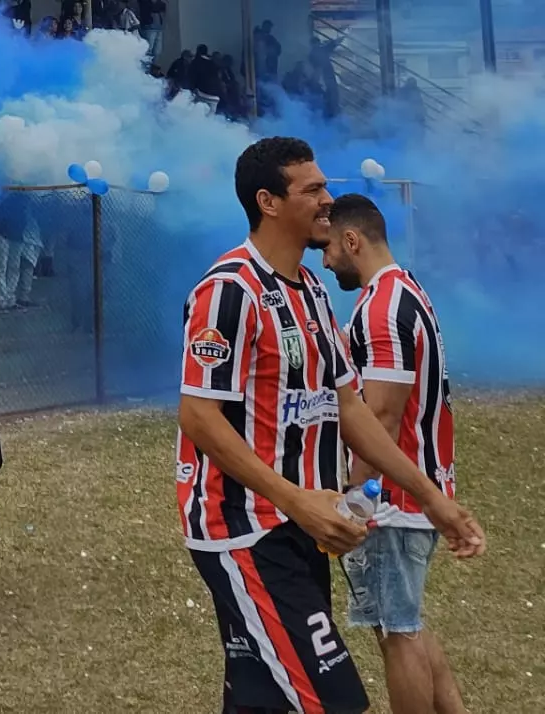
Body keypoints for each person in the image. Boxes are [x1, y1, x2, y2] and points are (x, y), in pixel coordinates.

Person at [176, 137, 485, 714]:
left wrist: (431, 499)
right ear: (268, 202)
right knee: (336, 699)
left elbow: (353, 411)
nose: (328, 200)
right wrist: (296, 500)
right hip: (245, 532)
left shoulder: (315, 293)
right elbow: (198, 417)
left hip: (302, 527)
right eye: (313, 189)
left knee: (262, 698)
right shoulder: (228, 291)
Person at [321, 193, 468, 714]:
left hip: (393, 499)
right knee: (407, 622)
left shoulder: (382, 308)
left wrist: (354, 499)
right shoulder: (408, 291)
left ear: (352, 240)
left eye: (329, 248)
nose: (325, 259)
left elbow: (380, 415)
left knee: (396, 634)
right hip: (412, 490)